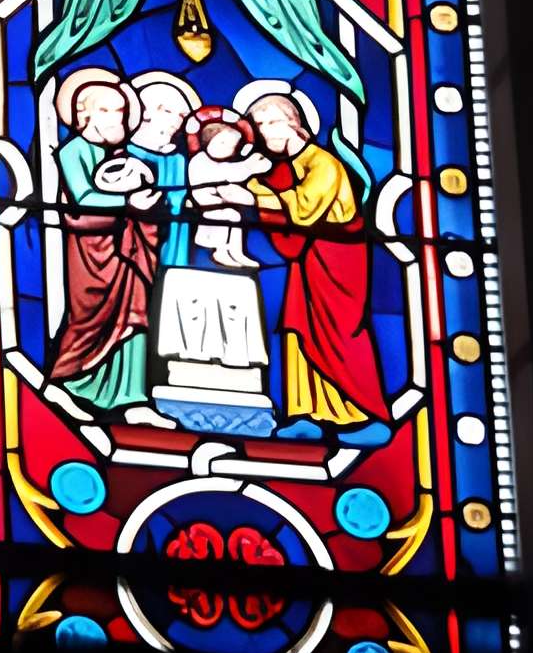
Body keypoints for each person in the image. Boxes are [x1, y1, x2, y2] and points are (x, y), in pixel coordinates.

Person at [240, 84, 388, 446]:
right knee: (299, 331)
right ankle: (307, 413)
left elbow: (304, 208)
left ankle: (359, 413)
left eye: (273, 121)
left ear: (296, 123)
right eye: (258, 126)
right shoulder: (288, 168)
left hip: (337, 264)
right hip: (307, 264)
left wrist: (253, 193)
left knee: (340, 335)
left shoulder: (324, 163)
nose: (266, 132)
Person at [47, 69, 175, 426]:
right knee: (90, 318)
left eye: (120, 111)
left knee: (135, 316)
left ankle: (132, 399)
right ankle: (68, 380)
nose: (116, 118)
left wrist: (146, 204)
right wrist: (129, 201)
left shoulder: (122, 154)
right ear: (83, 114)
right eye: (106, 111)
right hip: (93, 250)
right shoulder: (74, 151)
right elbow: (84, 198)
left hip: (130, 247)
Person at [182, 108, 270, 271]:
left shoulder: (219, 163)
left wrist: (251, 166)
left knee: (235, 215)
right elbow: (228, 173)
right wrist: (249, 167)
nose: (227, 149)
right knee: (231, 215)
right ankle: (221, 252)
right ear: (207, 141)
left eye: (232, 146)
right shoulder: (199, 160)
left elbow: (229, 171)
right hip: (204, 205)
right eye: (222, 143)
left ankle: (236, 252)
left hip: (218, 202)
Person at [126, 72, 199, 269]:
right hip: (134, 247)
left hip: (176, 242)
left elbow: (182, 200)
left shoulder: (178, 161)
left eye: (182, 115)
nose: (176, 120)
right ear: (145, 111)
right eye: (167, 111)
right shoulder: (124, 153)